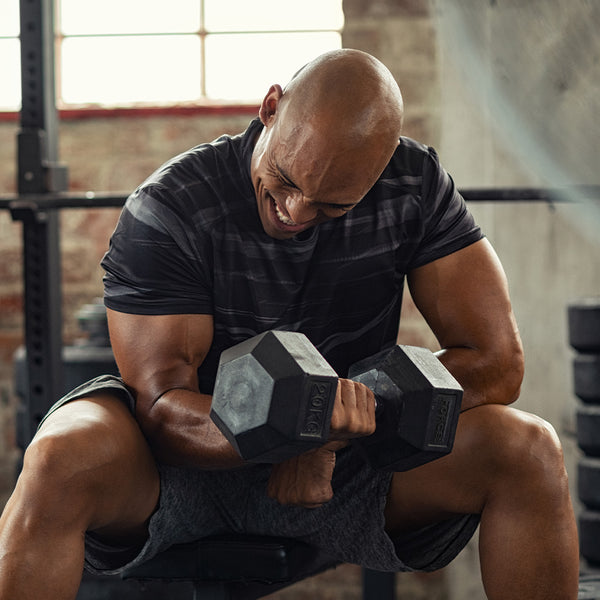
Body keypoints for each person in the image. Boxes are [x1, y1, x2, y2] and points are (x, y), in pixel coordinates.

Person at [0, 49, 579, 600]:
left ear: (380, 170)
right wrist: (296, 431)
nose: (296, 213)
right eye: (286, 178)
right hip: (182, 466)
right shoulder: (174, 204)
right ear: (270, 107)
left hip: (352, 464)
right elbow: (160, 409)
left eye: (332, 205)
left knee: (528, 449)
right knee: (59, 455)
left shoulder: (414, 186)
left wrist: (332, 431)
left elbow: (497, 363)